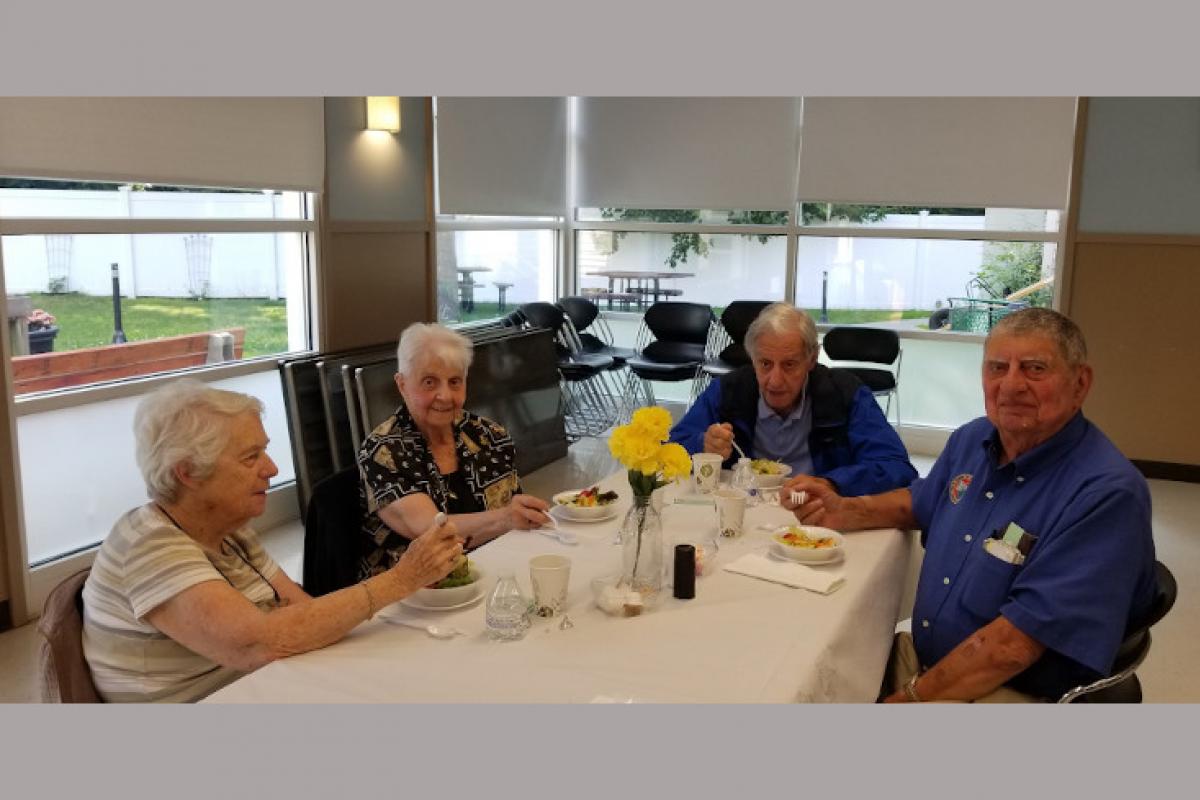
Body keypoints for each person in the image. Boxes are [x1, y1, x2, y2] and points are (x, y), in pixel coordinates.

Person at [783, 307, 1158, 702]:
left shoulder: (1106, 495)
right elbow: (921, 500)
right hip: (937, 661)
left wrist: (910, 699)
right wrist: (846, 509)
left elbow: (1010, 649)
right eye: (997, 368)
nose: (1011, 386)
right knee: (806, 664)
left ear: (1080, 384)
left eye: (1033, 369)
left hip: (1015, 689)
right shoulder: (974, 439)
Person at [81, 379, 464, 703]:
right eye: (251, 457)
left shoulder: (226, 530)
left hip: (263, 688)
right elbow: (261, 644)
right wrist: (401, 580)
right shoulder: (149, 546)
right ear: (189, 474)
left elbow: (303, 612)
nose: (272, 469)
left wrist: (293, 625)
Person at [357, 322, 551, 579]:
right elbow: (429, 530)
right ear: (402, 384)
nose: (445, 395)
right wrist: (506, 518)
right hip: (413, 592)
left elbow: (513, 521)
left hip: (492, 573)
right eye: (429, 382)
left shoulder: (490, 436)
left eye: (455, 382)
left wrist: (524, 516)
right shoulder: (383, 450)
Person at [669, 302, 916, 496]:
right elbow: (669, 452)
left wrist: (831, 482)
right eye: (765, 364)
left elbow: (896, 468)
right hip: (746, 507)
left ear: (811, 359)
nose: (775, 381)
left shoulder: (846, 394)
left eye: (789, 365)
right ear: (752, 359)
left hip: (817, 515)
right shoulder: (728, 391)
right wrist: (703, 445)